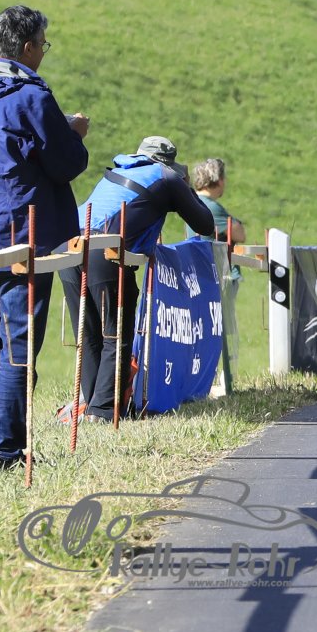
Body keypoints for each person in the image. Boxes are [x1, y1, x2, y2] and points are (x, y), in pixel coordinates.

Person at [0, 5, 90, 470]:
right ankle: (5, 450)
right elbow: (65, 164)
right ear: (28, 48)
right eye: (43, 44)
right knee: (18, 343)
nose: (44, 52)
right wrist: (74, 133)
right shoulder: (32, 96)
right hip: (20, 231)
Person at [60, 135, 214, 423]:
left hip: (68, 247)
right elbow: (205, 223)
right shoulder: (166, 177)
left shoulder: (121, 170)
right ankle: (102, 412)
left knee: (89, 334)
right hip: (105, 251)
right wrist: (185, 189)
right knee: (115, 334)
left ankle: (92, 405)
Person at [189, 158, 246, 343]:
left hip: (201, 272)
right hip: (217, 275)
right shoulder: (211, 206)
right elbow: (239, 233)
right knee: (217, 329)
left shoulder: (194, 201)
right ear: (219, 180)